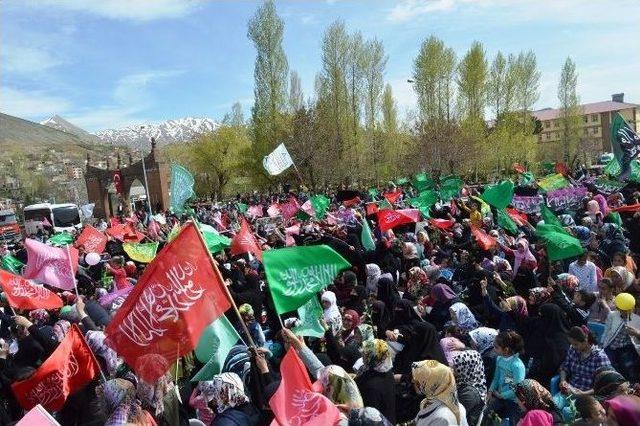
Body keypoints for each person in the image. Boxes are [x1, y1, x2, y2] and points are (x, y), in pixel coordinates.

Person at [411, 359, 469, 426]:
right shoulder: (434, 402)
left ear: (433, 383)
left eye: (419, 378)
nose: (413, 381)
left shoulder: (442, 417)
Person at [486, 330, 526, 425]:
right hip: (501, 397)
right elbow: (496, 378)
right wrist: (490, 391)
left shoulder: (517, 365)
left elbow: (518, 388)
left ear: (506, 350)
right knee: (487, 413)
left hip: (514, 401)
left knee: (513, 423)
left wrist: (502, 395)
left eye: (496, 347)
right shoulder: (499, 359)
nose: (494, 349)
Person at [560, 326, 611, 395]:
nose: (573, 346)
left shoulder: (600, 357)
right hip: (570, 391)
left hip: (588, 397)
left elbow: (605, 384)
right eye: (571, 344)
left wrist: (583, 393)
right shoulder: (573, 350)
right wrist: (563, 381)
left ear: (585, 341)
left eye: (576, 344)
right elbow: (564, 367)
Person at [355, 339, 396, 424]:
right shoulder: (386, 371)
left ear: (374, 357)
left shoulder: (371, 385)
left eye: (365, 354)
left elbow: (370, 415)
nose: (362, 355)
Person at [601, 293, 640, 383]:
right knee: (607, 365)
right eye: (621, 310)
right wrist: (602, 344)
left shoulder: (637, 320)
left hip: (626, 348)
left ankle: (631, 385)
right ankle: (612, 384)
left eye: (626, 310)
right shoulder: (613, 315)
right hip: (611, 346)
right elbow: (606, 331)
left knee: (627, 367)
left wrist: (636, 333)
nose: (623, 312)